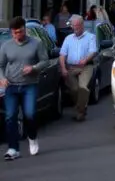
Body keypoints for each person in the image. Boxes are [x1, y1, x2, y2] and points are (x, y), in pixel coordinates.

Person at [0, 17, 49, 160]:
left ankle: (32, 137)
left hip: (29, 85)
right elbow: (1, 65)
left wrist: (33, 68)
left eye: (20, 32)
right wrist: (2, 78)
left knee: (30, 114)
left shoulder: (36, 43)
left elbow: (45, 61)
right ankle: (13, 148)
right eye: (15, 33)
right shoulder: (6, 46)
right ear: (11, 33)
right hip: (11, 85)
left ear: (24, 29)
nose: (18, 35)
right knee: (10, 117)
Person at [59, 14, 98, 121]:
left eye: (76, 26)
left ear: (82, 25)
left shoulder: (90, 37)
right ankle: (81, 107)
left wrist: (85, 60)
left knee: (83, 87)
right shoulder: (68, 39)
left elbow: (93, 51)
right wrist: (63, 68)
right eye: (73, 26)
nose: (74, 28)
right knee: (74, 89)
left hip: (86, 66)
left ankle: (80, 112)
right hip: (71, 67)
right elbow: (62, 55)